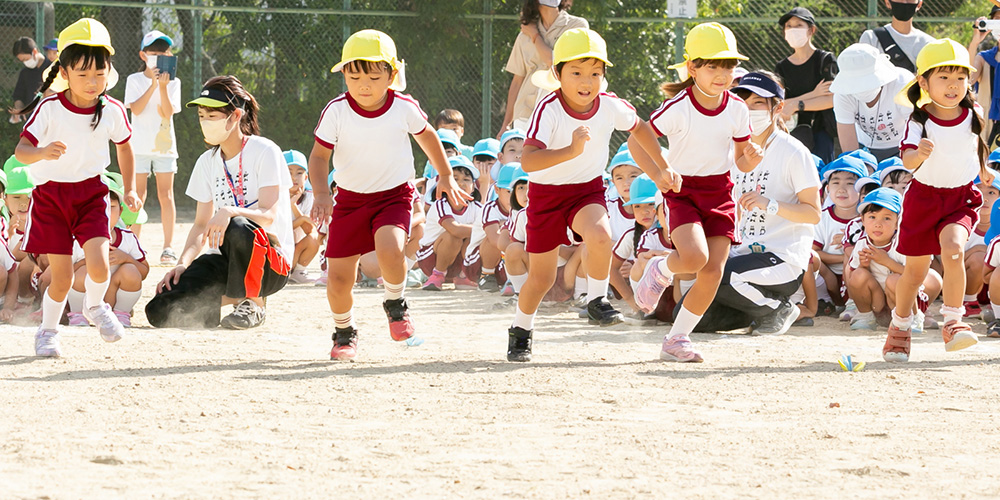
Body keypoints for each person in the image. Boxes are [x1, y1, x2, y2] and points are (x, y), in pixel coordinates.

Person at [308, 30, 469, 361]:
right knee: (338, 278)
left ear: (392, 75)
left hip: (393, 196)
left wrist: (446, 174)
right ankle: (344, 334)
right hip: (349, 201)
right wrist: (322, 193)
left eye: (373, 75)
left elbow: (428, 139)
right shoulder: (336, 111)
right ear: (344, 76)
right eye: (354, 76)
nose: (363, 84)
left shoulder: (403, 107)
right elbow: (319, 157)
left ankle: (396, 304)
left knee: (392, 249)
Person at [507, 28, 658, 362]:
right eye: (575, 72)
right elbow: (529, 161)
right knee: (542, 278)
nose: (586, 81)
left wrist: (661, 167)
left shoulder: (609, 105)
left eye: (595, 72)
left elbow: (640, 127)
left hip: (586, 190)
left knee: (601, 235)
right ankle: (521, 330)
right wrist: (570, 150)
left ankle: (597, 300)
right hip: (546, 196)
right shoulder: (548, 107)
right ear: (557, 74)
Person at [631, 22, 760, 363]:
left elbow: (741, 164)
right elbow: (636, 140)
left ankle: (677, 339)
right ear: (692, 68)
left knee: (712, 271)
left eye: (729, 66)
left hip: (720, 192)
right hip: (682, 192)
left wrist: (750, 158)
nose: (722, 73)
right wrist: (659, 172)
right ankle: (659, 269)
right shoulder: (678, 106)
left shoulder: (738, 108)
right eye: (712, 65)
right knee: (693, 258)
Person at [14, 19, 141, 357]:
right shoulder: (49, 108)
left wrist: (129, 189)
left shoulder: (112, 110)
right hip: (51, 197)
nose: (92, 82)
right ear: (64, 72)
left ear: (108, 71)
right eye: (83, 74)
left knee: (99, 265)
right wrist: (41, 152)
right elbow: (20, 151)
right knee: (62, 276)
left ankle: (95, 306)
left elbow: (125, 147)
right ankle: (48, 331)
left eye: (99, 74)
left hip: (91, 194)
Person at [146, 76, 292, 330]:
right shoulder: (206, 161)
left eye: (212, 115)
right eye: (202, 115)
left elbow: (268, 214)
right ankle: (236, 300)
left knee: (238, 225)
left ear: (235, 116)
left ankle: (254, 303)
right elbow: (201, 225)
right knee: (160, 309)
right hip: (225, 259)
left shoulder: (266, 150)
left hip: (269, 262)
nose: (205, 122)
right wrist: (182, 264)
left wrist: (229, 211)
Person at [685, 71, 822, 335]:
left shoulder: (794, 151)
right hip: (743, 255)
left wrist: (770, 204)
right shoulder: (730, 151)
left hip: (783, 258)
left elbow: (813, 213)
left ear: (778, 107)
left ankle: (779, 309)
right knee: (689, 315)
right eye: (743, 103)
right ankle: (757, 311)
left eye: (758, 102)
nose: (749, 110)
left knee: (723, 276)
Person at [886, 39, 991, 363]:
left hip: (960, 198)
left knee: (954, 249)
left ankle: (953, 321)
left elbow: (977, 144)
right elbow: (906, 160)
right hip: (923, 200)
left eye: (960, 78)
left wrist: (984, 170)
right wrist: (918, 154)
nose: (953, 85)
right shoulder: (919, 120)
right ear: (924, 82)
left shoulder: (975, 112)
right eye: (943, 77)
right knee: (914, 274)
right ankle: (900, 326)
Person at [125, 30, 181, 265]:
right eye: (153, 52)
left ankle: (168, 247)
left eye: (163, 52)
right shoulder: (134, 80)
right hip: (137, 146)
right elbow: (135, 110)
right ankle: (132, 245)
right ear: (143, 55)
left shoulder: (174, 82)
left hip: (164, 147)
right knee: (138, 195)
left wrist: (162, 87)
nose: (158, 56)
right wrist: (153, 86)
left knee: (166, 195)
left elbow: (167, 113)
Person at [848, 188, 941, 331]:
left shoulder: (904, 243)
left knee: (895, 280)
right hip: (878, 303)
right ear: (863, 220)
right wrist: (864, 266)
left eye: (887, 218)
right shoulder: (862, 243)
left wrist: (886, 261)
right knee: (857, 274)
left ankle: (913, 318)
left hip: (902, 301)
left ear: (898, 222)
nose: (878, 224)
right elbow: (854, 279)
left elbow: (914, 276)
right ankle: (866, 316)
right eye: (872, 217)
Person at [66, 174, 149, 327]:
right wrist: (88, 262)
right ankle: (77, 315)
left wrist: (127, 259)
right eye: (98, 207)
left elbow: (143, 272)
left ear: (121, 210)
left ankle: (121, 314)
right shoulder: (76, 239)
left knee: (130, 270)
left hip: (113, 299)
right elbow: (63, 273)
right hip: (83, 300)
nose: (104, 212)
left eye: (111, 207)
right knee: (83, 271)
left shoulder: (128, 238)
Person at [499, 0, 588, 135]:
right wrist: (506, 125)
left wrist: (535, 36)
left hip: (561, 112)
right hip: (525, 115)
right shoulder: (525, 33)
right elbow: (517, 81)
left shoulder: (577, 26)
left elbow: (554, 63)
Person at [773, 7, 838, 163]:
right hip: (792, 133)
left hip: (823, 134)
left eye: (798, 25)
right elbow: (779, 105)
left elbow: (832, 99)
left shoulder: (825, 60)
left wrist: (797, 105)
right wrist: (814, 94)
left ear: (811, 30)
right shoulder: (781, 67)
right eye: (789, 26)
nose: (793, 30)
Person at [419, 156, 481, 290]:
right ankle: (437, 275)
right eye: (455, 179)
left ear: (474, 186)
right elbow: (455, 230)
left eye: (466, 179)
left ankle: (463, 275)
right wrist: (483, 229)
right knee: (454, 235)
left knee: (476, 236)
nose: (461, 184)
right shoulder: (441, 205)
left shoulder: (476, 208)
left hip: (456, 261)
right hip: (431, 260)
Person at [859, 0, 934, 72]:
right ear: (887, 2)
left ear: (919, 4)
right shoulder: (871, 38)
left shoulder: (929, 44)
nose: (904, 2)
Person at [284, 149, 320, 283]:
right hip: (278, 248)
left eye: (299, 173)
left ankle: (298, 271)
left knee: (314, 236)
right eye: (289, 172)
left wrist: (294, 205)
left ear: (306, 177)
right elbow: (279, 229)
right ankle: (285, 271)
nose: (294, 178)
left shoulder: (309, 196)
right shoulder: (273, 195)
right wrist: (302, 219)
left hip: (296, 248)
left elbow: (310, 230)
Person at [968, 5, 1000, 148]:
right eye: (997, 19)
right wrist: (975, 41)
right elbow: (968, 79)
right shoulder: (985, 58)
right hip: (987, 124)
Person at [8, 37, 52, 124]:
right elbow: (18, 96)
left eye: (26, 59)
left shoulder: (52, 68)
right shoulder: (25, 73)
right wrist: (19, 109)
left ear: (34, 52)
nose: (25, 63)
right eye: (22, 61)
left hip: (52, 119)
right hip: (33, 122)